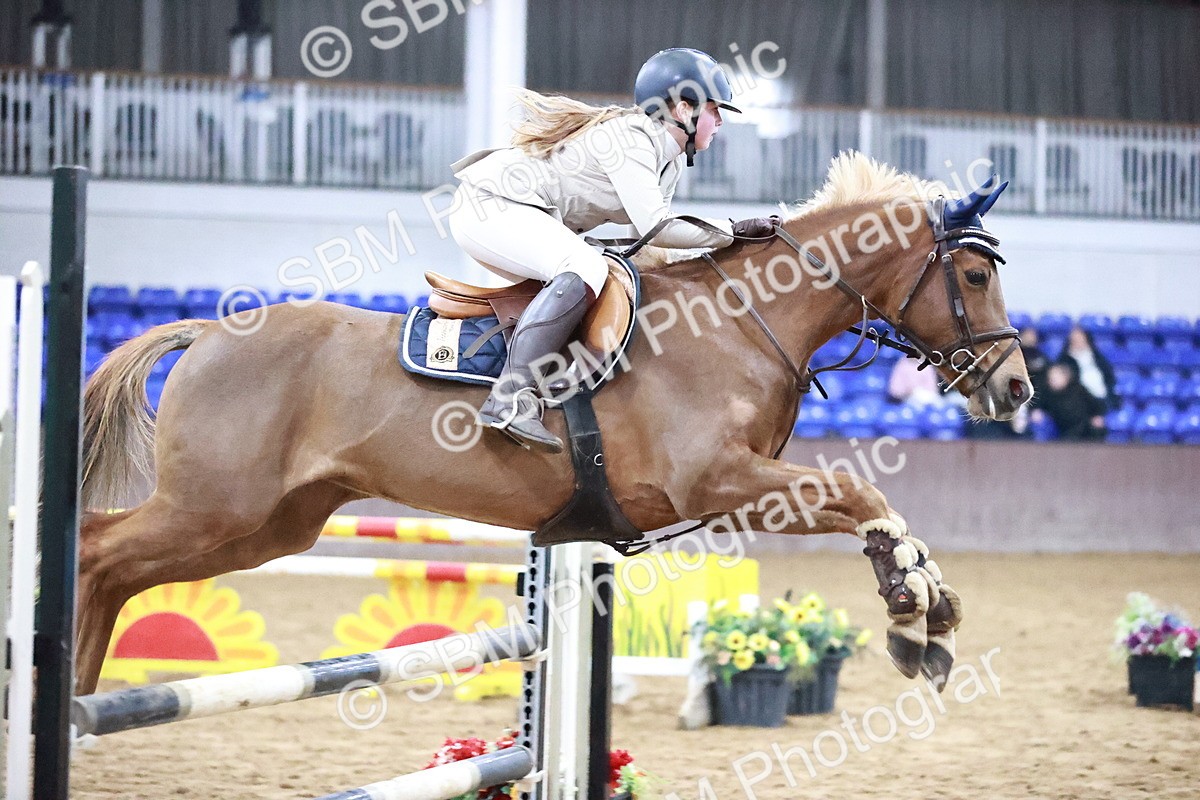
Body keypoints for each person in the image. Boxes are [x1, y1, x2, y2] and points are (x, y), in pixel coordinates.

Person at [447, 48, 776, 452]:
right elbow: (657, 229)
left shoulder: (668, 160)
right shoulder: (632, 138)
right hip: (489, 206)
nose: (721, 120)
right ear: (684, 108)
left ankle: (555, 386)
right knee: (584, 264)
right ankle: (511, 399)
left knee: (603, 272)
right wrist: (734, 232)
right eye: (715, 109)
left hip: (520, 213)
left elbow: (649, 240)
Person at [1034, 362, 1107, 440]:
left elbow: (1096, 405)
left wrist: (1097, 416)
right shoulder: (1048, 393)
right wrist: (1037, 411)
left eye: (1054, 378)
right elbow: (1040, 405)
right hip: (1063, 428)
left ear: (1065, 377)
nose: (1051, 381)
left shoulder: (1078, 389)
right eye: (1050, 379)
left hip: (1084, 426)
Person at [1058, 326, 1117, 411]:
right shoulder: (1065, 360)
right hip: (1080, 403)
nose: (1078, 341)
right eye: (1075, 339)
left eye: (1081, 338)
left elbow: (1109, 376)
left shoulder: (1097, 356)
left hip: (1102, 398)